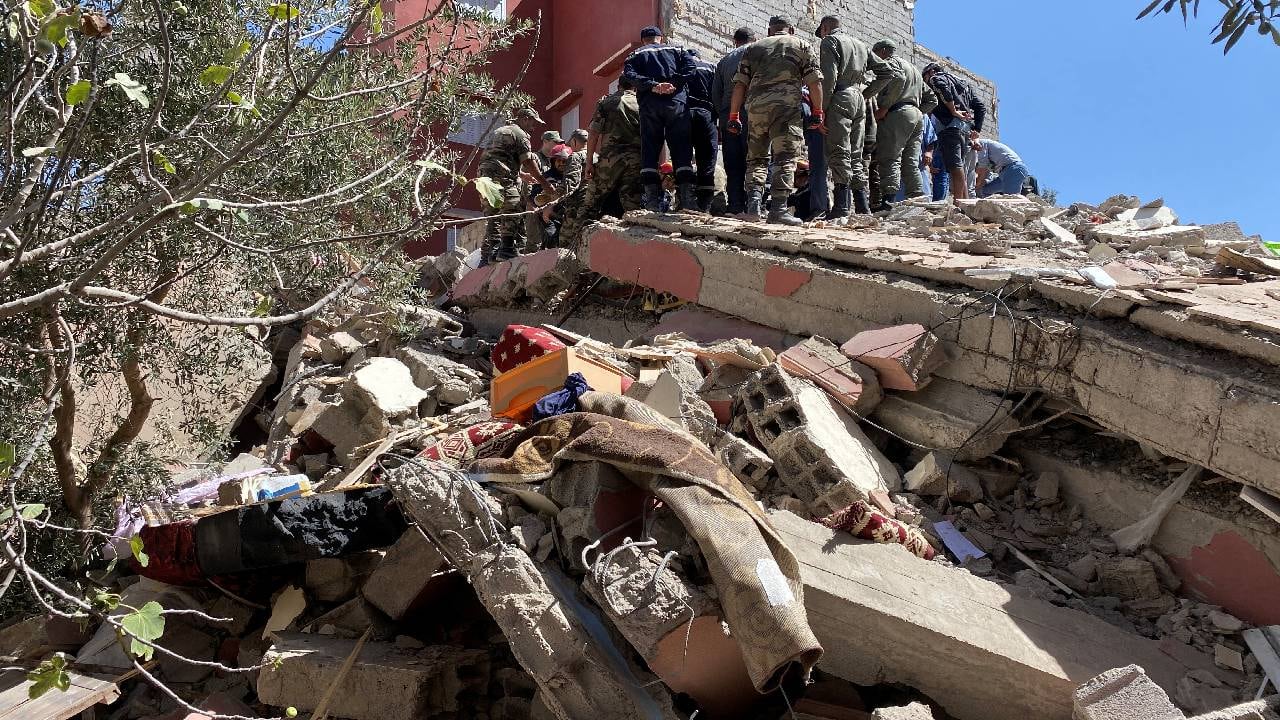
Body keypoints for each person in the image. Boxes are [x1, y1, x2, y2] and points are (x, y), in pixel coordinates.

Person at [728, 15, 825, 226]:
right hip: (786, 110)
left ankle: (753, 208)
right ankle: (778, 210)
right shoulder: (801, 45)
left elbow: (740, 85)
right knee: (785, 157)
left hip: (756, 110)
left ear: (769, 31)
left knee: (756, 159)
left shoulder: (753, 48)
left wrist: (734, 116)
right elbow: (814, 81)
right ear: (791, 30)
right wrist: (818, 111)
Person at [815, 15, 894, 219]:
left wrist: (821, 110)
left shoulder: (830, 41)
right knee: (856, 155)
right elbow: (887, 72)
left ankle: (841, 206)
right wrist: (865, 94)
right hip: (858, 100)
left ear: (825, 28)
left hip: (839, 97)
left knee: (839, 150)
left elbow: (829, 79)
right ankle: (862, 206)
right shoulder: (861, 45)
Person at [623, 25, 697, 212]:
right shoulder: (678, 49)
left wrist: (653, 85)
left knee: (650, 149)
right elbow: (691, 68)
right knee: (681, 148)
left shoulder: (635, 54)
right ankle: (686, 200)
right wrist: (673, 83)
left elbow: (629, 75)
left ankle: (652, 202)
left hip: (650, 106)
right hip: (676, 103)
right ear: (660, 38)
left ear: (643, 40)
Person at [563, 77, 643, 248]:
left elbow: (593, 134)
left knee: (590, 204)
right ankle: (636, 248)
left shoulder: (606, 103)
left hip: (609, 160)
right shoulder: (642, 103)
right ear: (635, 87)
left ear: (618, 86)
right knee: (633, 207)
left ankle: (574, 247)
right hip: (636, 160)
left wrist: (589, 162)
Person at [870, 38, 937, 211]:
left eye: (875, 55)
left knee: (890, 157)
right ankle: (917, 199)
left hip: (897, 114)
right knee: (911, 162)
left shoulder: (891, 63)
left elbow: (898, 78)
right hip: (916, 117)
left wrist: (885, 108)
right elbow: (932, 99)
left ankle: (888, 202)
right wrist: (917, 112)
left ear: (883, 51)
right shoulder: (914, 70)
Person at [478, 106, 548, 266]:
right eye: (533, 122)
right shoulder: (520, 134)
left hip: (484, 178)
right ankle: (507, 249)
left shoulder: (499, 131)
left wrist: (522, 175)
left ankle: (493, 251)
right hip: (501, 177)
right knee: (513, 208)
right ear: (525, 119)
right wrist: (545, 184)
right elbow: (528, 161)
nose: (534, 127)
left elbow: (497, 157)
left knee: (493, 213)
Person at [923, 62, 986, 200]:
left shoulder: (936, 78)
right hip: (964, 130)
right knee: (959, 168)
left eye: (925, 77)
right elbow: (980, 106)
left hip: (950, 128)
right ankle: (965, 203)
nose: (926, 82)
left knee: (955, 167)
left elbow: (942, 88)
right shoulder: (964, 85)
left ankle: (958, 203)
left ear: (931, 72)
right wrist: (976, 129)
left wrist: (953, 110)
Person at [711, 27, 756, 215]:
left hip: (728, 116)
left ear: (734, 41)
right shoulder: (758, 53)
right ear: (754, 39)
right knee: (755, 159)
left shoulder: (724, 61)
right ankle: (755, 205)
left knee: (733, 160)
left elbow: (716, 94)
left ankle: (736, 205)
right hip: (753, 113)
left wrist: (724, 114)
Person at [685, 49, 719, 212]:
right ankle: (704, 206)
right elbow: (718, 93)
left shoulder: (681, 66)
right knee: (707, 159)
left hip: (683, 115)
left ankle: (685, 201)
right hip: (706, 115)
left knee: (683, 158)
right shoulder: (711, 67)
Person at [801, 87, 829, 220]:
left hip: (818, 116)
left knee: (818, 165)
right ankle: (839, 208)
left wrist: (820, 113)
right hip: (823, 112)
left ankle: (820, 208)